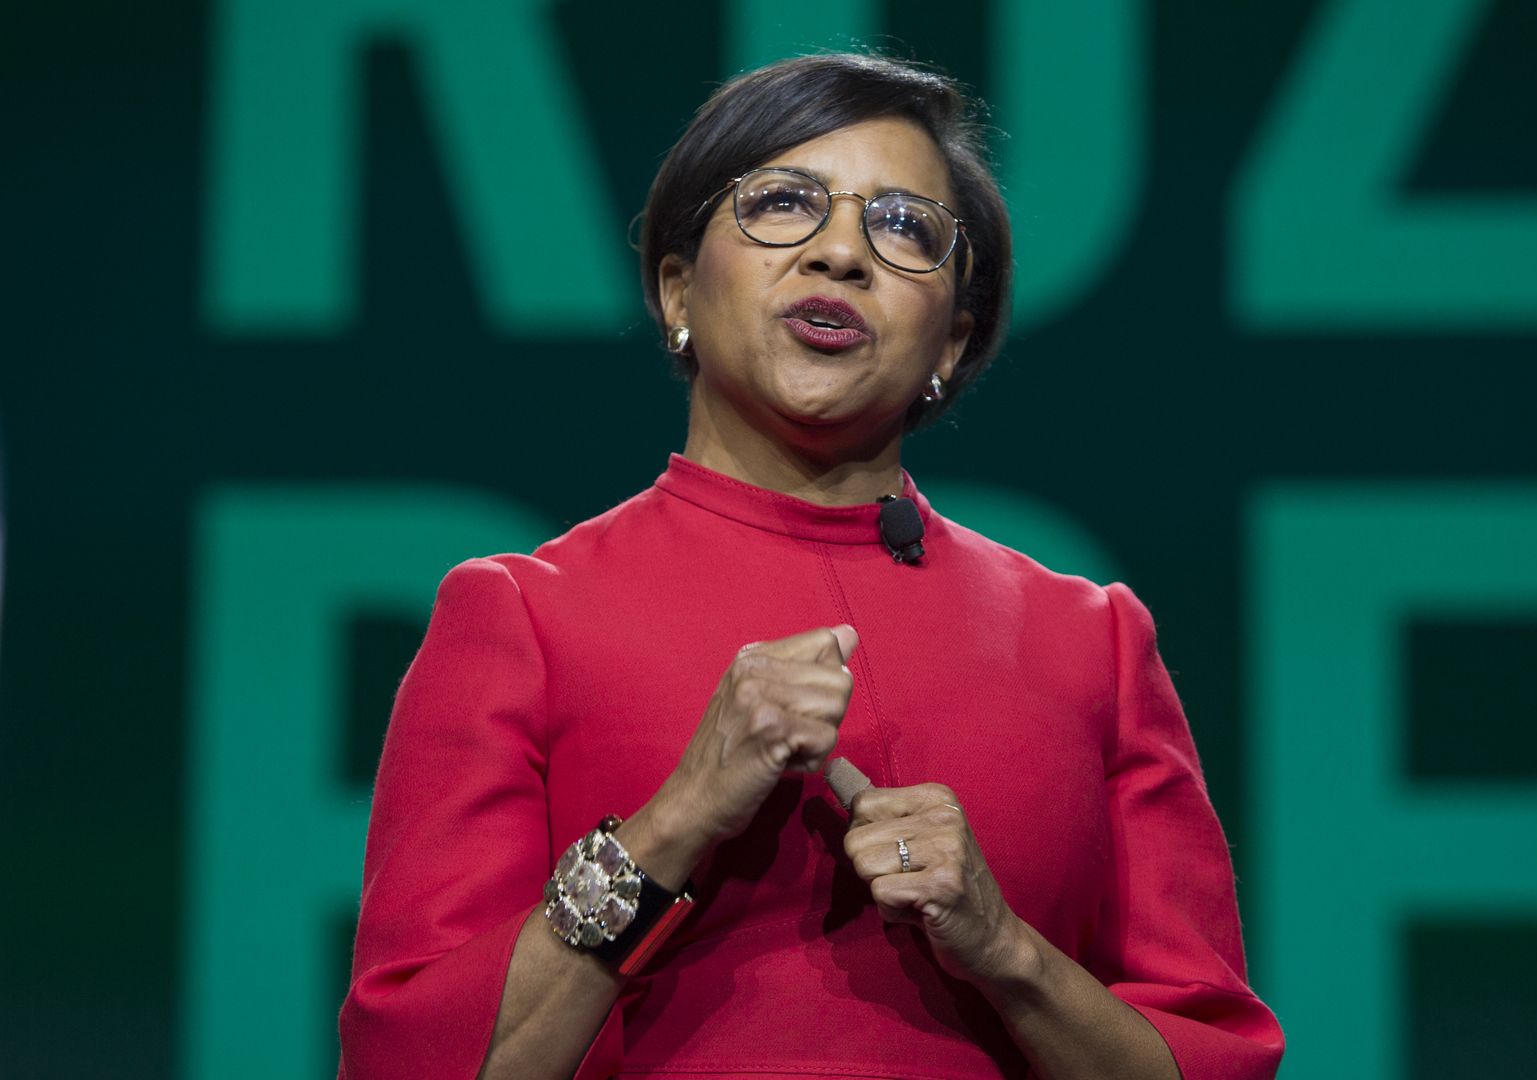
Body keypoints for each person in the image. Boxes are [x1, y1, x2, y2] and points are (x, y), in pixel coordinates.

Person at [338, 52, 1285, 1080]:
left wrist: (1007, 952)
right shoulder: (522, 618)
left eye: (904, 228)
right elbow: (412, 1062)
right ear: (675, 288)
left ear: (953, 344)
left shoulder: (1088, 641)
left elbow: (1210, 1062)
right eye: (784, 204)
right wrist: (674, 824)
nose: (841, 254)